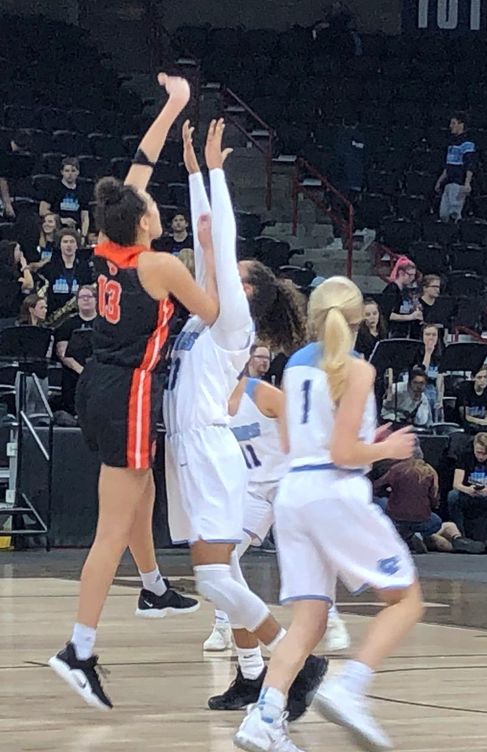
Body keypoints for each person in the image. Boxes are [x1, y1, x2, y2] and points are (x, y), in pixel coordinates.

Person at [48, 75, 212, 710]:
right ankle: (78, 650)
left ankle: (152, 587)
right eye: (154, 212)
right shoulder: (160, 265)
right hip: (130, 391)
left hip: (97, 383)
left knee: (140, 495)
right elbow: (214, 308)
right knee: (110, 528)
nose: (157, 212)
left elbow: (139, 164)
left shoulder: (105, 247)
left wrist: (172, 106)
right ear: (142, 222)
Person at [163, 119, 328, 718]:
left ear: (247, 292)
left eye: (231, 274)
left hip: (207, 447)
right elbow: (209, 241)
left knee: (213, 581)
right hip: (184, 450)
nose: (217, 271)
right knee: (217, 576)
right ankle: (259, 673)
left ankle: (293, 663)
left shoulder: (232, 325)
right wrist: (191, 177)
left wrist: (215, 172)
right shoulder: (204, 314)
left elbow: (222, 240)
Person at [233, 276, 422, 752]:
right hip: (332, 490)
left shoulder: (294, 364)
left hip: (293, 491)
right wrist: (386, 449)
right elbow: (342, 452)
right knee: (405, 600)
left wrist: (360, 445)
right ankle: (350, 689)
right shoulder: (358, 369)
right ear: (360, 320)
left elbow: (295, 442)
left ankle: (265, 716)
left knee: (310, 620)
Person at [203, 363, 351, 661]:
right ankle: (223, 624)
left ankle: (332, 618)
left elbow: (306, 428)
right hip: (252, 490)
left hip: (287, 483)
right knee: (223, 555)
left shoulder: (261, 394)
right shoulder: (212, 404)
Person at [374, 458, 467, 554]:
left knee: (381, 504)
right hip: (421, 519)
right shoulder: (429, 471)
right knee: (437, 522)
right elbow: (434, 499)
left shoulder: (396, 469)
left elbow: (376, 487)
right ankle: (418, 536)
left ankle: (403, 538)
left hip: (397, 518)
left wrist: (389, 492)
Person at [448, 432, 487, 550]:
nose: (480, 456)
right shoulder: (465, 456)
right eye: (478, 452)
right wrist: (468, 490)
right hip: (468, 492)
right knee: (452, 496)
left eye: (484, 453)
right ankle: (461, 538)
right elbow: (456, 484)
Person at [54, 284, 97, 413]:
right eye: (82, 297)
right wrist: (81, 371)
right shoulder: (67, 324)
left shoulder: (104, 324)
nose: (86, 299)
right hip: (73, 375)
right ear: (77, 301)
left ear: (97, 300)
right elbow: (63, 353)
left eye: (89, 296)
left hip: (98, 373)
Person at [434, 111, 476, 221]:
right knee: (443, 215)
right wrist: (440, 181)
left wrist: (467, 183)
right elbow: (448, 165)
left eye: (453, 123)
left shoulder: (467, 143)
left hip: (458, 184)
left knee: (454, 214)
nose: (450, 126)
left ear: (461, 125)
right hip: (448, 183)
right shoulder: (451, 143)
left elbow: (470, 164)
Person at [42, 230, 93, 314]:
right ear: (60, 245)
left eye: (72, 242)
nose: (69, 245)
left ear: (77, 246)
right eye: (65, 242)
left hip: (78, 313)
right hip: (54, 313)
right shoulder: (49, 268)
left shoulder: (85, 268)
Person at [0, 240, 36, 321]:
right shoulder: (6, 271)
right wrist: (25, 266)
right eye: (18, 250)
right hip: (8, 310)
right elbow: (29, 284)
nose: (21, 253)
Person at [39, 157, 90, 233]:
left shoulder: (82, 190)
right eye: (67, 171)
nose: (70, 174)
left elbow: (85, 216)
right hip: (56, 228)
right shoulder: (53, 188)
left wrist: (83, 235)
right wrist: (61, 220)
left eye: (73, 171)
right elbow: (42, 210)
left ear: (78, 172)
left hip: (75, 229)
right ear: (62, 172)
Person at [381, 257, 421, 339]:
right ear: (401, 273)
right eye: (410, 275)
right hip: (392, 332)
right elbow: (387, 314)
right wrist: (410, 317)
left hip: (403, 331)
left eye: (414, 275)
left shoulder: (405, 291)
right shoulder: (391, 290)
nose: (412, 279)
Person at [457, 365, 487, 432]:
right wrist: (481, 422)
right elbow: (465, 416)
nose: (483, 380)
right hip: (466, 427)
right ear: (473, 378)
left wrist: (486, 422)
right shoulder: (465, 389)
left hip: (483, 426)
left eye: (485, 377)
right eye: (479, 377)